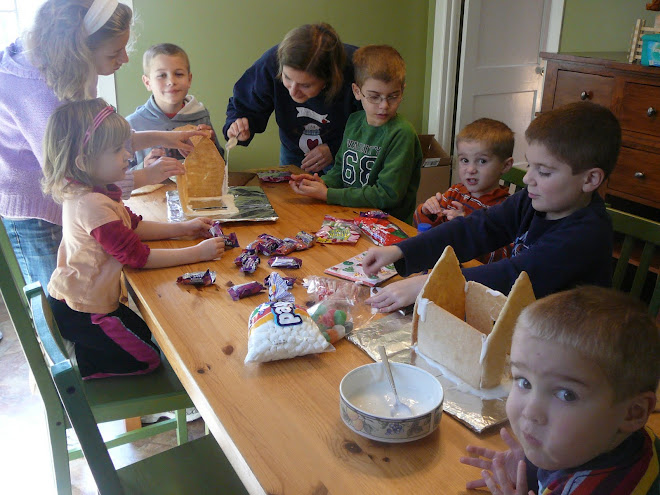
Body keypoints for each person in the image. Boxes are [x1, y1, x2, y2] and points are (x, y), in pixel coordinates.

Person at [0, 0, 198, 296]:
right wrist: (146, 176)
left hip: (70, 200)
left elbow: (100, 140)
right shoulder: (42, 94)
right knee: (64, 300)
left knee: (85, 289)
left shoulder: (64, 65)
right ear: (80, 51)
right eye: (114, 52)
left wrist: (166, 138)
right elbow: (76, 177)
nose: (125, 59)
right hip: (36, 211)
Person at [364, 102, 620, 312]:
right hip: (523, 318)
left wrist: (428, 284)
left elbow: (515, 275)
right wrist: (400, 250)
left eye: (543, 172)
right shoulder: (532, 200)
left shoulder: (586, 234)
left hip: (566, 345)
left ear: (589, 180)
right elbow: (476, 228)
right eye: (530, 165)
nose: (528, 178)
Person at [42, 98, 225, 379]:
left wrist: (184, 228)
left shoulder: (99, 190)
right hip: (84, 311)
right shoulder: (90, 204)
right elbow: (138, 257)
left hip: (86, 302)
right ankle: (81, 364)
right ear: (84, 161)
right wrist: (197, 253)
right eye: (118, 150)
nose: (128, 156)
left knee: (148, 335)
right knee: (150, 360)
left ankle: (89, 349)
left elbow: (134, 227)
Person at [460, 286, 659, 494]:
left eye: (566, 394)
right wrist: (530, 470)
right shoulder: (632, 443)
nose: (530, 412)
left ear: (634, 412)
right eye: (524, 381)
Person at [289, 45, 422, 224]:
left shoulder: (401, 134)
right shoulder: (354, 121)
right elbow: (340, 171)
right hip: (351, 218)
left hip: (388, 228)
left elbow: (388, 194)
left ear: (402, 91)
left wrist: (328, 194)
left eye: (393, 96)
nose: (384, 105)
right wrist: (321, 183)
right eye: (374, 97)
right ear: (357, 92)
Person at [223, 23, 361, 172]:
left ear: (329, 79)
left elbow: (373, 127)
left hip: (348, 153)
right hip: (293, 150)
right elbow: (243, 106)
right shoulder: (270, 63)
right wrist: (238, 126)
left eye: (305, 85)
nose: (293, 92)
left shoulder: (356, 70)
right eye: (287, 78)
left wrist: (336, 148)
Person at [413, 118, 514, 262]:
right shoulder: (455, 192)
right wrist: (426, 212)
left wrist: (468, 230)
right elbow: (423, 230)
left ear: (505, 166)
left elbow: (504, 257)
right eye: (465, 160)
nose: (471, 170)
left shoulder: (506, 209)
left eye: (482, 161)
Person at [126, 42, 223, 171]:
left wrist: (211, 146)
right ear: (148, 82)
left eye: (178, 74)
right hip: (152, 190)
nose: (171, 82)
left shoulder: (200, 117)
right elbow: (118, 180)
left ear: (189, 79)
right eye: (162, 75)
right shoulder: (132, 124)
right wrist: (143, 167)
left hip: (193, 190)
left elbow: (220, 165)